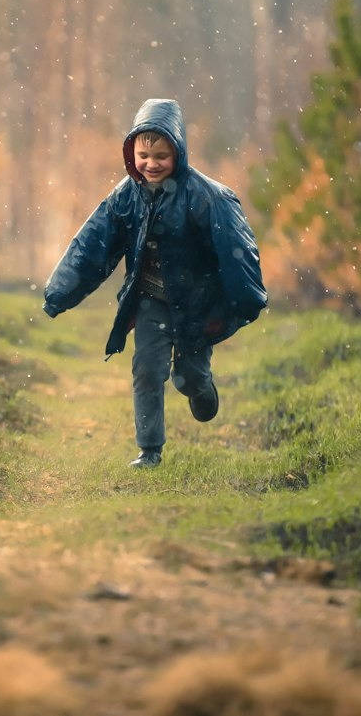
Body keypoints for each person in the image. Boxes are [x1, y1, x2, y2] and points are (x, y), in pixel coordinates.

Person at [42, 98, 267, 468]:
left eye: (162, 155)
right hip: (151, 300)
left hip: (196, 304)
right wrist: (59, 292)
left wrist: (246, 298)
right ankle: (150, 450)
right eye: (144, 155)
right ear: (132, 154)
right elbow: (92, 245)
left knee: (188, 377)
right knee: (146, 369)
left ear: (178, 152)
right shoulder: (126, 195)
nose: (152, 164)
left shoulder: (208, 197)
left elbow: (236, 250)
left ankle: (200, 387)